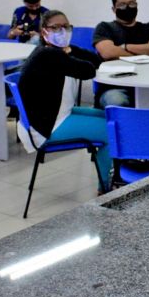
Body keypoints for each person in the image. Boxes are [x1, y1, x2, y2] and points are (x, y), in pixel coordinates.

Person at [17, 10, 112, 192]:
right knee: (111, 132)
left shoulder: (56, 52)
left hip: (57, 114)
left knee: (108, 117)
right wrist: (68, 53)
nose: (62, 31)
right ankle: (105, 189)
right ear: (44, 31)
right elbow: (88, 71)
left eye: (66, 27)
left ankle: (109, 171)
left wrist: (70, 50)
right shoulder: (47, 55)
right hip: (47, 126)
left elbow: (95, 60)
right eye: (55, 27)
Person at [93, 0, 149, 108]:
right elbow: (108, 52)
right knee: (117, 101)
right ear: (114, 9)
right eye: (122, 5)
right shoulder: (105, 27)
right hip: (115, 86)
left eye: (132, 3)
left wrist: (125, 47)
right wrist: (145, 52)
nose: (128, 7)